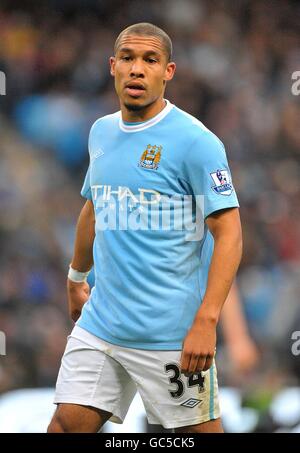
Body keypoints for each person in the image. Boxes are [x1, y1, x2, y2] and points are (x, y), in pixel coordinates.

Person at [47, 22, 242, 433]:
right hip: (101, 326)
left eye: (150, 60)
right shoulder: (100, 131)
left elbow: (230, 233)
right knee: (65, 426)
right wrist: (76, 276)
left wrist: (207, 322)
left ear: (168, 72)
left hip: (170, 337)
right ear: (112, 66)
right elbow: (93, 207)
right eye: (129, 59)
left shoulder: (196, 142)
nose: (138, 69)